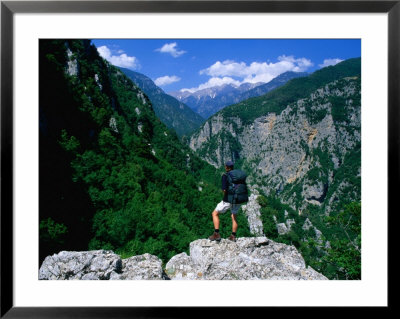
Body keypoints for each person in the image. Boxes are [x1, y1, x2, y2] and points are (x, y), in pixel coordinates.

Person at [208, 160, 242, 242]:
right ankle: (233, 236)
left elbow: (224, 190)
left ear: (226, 167)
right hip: (238, 199)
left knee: (215, 213)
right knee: (234, 216)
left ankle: (216, 234)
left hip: (228, 199)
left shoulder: (225, 176)